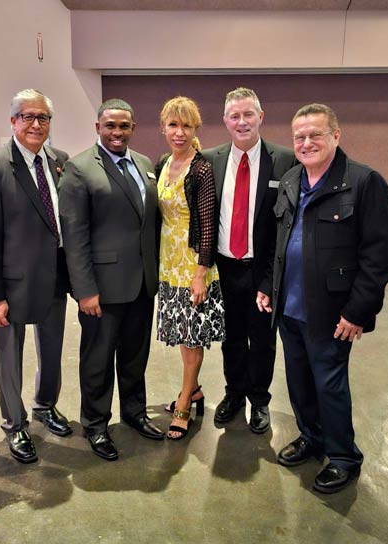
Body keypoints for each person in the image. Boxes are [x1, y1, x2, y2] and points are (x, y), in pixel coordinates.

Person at [264, 103, 388, 494]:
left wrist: (358, 310)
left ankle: (343, 457)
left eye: (315, 135)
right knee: (299, 382)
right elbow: (278, 242)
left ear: (335, 136)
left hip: (332, 313)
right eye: (300, 137)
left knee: (329, 385)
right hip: (288, 309)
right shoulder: (291, 180)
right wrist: (266, 287)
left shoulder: (363, 182)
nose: (306, 143)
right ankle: (311, 437)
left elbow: (379, 255)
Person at [0, 89, 73, 464]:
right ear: (13, 121)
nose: (35, 124)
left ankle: (45, 406)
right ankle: (15, 425)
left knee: (52, 349)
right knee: (9, 357)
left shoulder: (60, 162)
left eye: (42, 118)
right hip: (11, 284)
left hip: (54, 277)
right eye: (27, 117)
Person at [60, 98, 164, 460]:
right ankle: (95, 424)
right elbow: (74, 237)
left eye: (124, 126)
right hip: (101, 289)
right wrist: (85, 290)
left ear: (133, 128)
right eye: (110, 126)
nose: (117, 132)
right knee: (98, 359)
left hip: (141, 284)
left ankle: (134, 412)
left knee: (136, 356)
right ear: (98, 128)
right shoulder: (79, 169)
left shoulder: (145, 164)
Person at [199, 88, 298, 433]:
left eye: (248, 114)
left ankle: (259, 400)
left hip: (263, 268)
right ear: (225, 120)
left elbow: (287, 225)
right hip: (224, 266)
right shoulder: (210, 159)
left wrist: (270, 279)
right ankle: (233, 394)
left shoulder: (285, 160)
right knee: (231, 337)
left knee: (263, 339)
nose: (242, 122)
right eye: (234, 116)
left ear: (261, 117)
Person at [152, 96, 224, 440]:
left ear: (195, 129)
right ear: (163, 127)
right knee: (182, 333)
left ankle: (184, 401)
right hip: (168, 262)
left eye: (186, 126)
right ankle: (193, 390)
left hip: (193, 263)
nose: (179, 132)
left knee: (192, 337)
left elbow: (208, 225)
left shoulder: (202, 168)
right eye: (173, 125)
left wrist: (200, 274)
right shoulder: (164, 162)